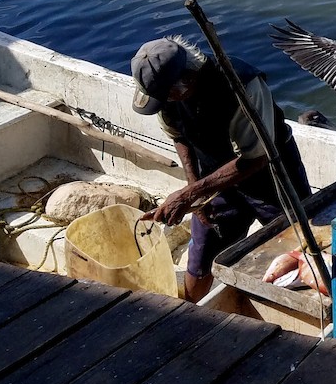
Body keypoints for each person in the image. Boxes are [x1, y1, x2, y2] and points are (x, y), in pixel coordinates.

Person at [131, 35, 311, 302]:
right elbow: (179, 136)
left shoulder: (243, 86)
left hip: (271, 173)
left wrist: (188, 194)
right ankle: (189, 314)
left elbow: (256, 158)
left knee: (299, 248)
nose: (166, 101)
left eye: (169, 95)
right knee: (202, 254)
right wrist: (196, 194)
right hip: (213, 176)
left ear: (189, 79)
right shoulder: (164, 92)